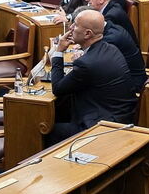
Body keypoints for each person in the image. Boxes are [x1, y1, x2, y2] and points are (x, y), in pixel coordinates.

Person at [47, 9, 137, 142]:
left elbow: (58, 88)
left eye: (75, 25)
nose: (71, 27)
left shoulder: (86, 63)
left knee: (45, 130)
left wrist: (58, 51)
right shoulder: (111, 48)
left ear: (87, 34)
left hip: (101, 128)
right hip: (121, 116)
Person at [72, 6, 146, 94]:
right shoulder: (110, 27)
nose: (72, 28)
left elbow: (94, 63)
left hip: (131, 85)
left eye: (76, 25)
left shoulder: (111, 39)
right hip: (123, 78)